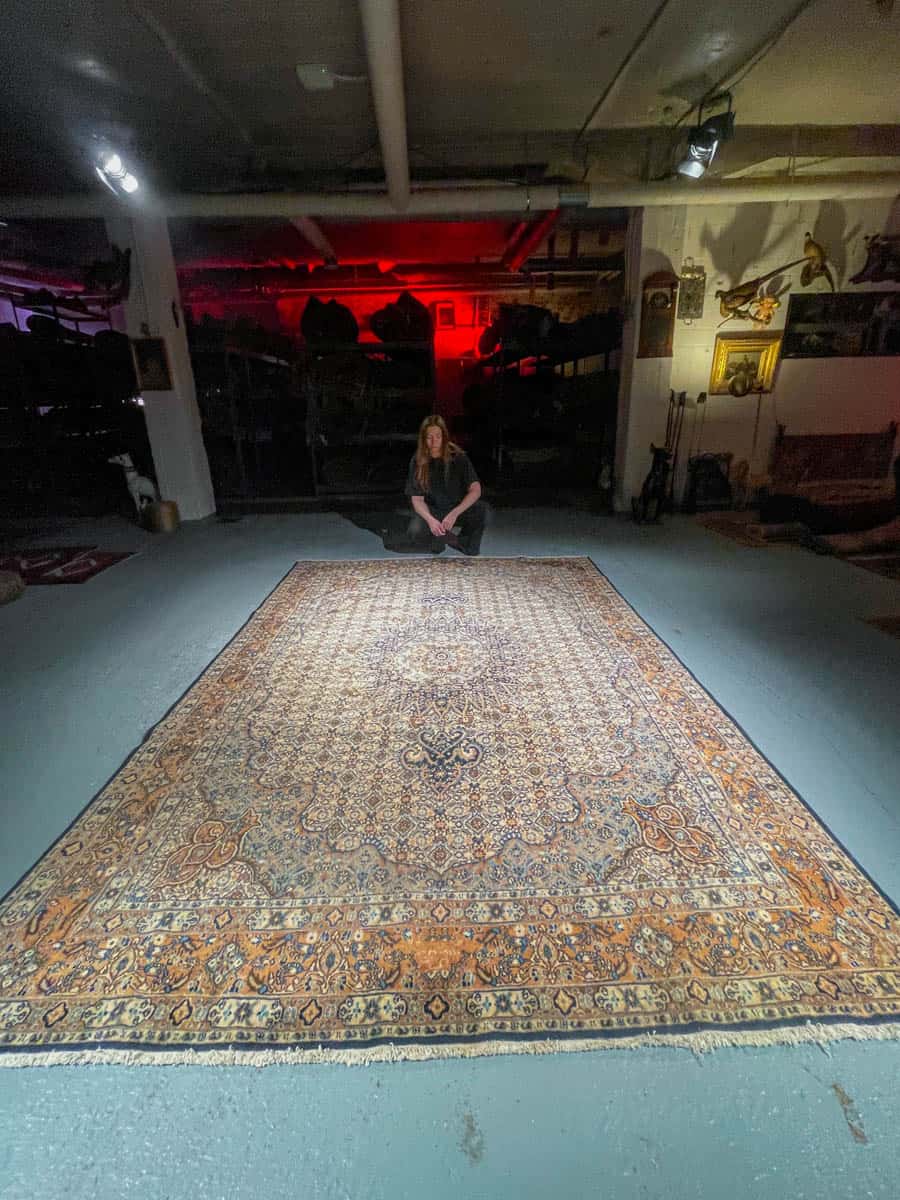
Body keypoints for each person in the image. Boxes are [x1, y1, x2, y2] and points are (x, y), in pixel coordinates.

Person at [404, 414, 485, 555]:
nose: (434, 441)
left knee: (482, 511)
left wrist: (454, 513)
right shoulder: (418, 460)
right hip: (434, 510)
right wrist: (431, 520)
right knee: (415, 530)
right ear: (423, 439)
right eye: (429, 437)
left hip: (456, 507)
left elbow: (475, 489)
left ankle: (460, 541)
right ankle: (444, 538)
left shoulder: (457, 456)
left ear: (444, 437)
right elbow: (417, 499)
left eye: (438, 436)